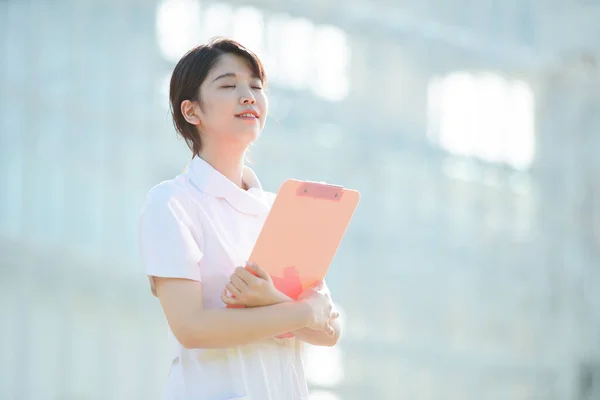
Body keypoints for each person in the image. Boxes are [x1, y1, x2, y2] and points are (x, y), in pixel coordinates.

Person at [137, 37, 341, 400]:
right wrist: (296, 312)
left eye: (256, 86)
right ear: (191, 111)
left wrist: (272, 299)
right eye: (228, 85)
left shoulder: (285, 209)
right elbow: (192, 328)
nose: (248, 96)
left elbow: (328, 330)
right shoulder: (172, 203)